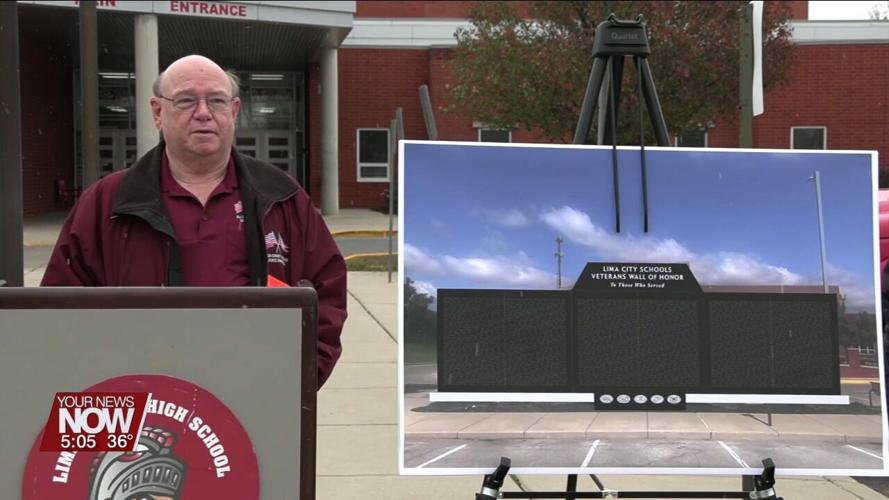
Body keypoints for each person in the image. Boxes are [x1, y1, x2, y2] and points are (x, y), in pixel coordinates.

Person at [41, 55, 347, 387]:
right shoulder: (107, 202)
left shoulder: (282, 196)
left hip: (256, 398)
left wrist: (298, 377)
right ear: (158, 112)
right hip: (139, 403)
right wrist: (102, 386)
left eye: (216, 100)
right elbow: (60, 308)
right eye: (186, 100)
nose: (203, 113)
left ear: (234, 110)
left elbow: (326, 290)